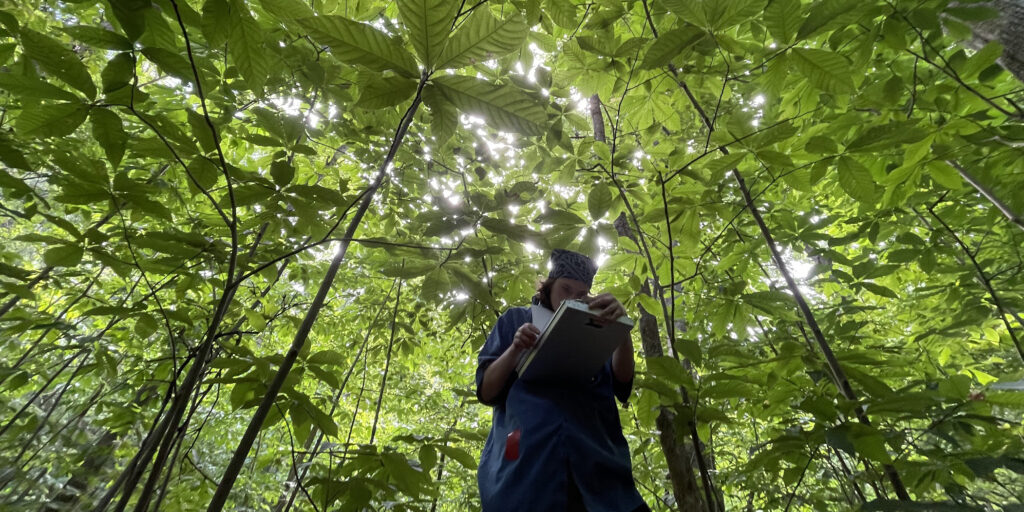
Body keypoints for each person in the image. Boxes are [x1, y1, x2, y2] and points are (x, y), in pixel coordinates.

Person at [475, 249, 650, 512]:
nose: (571, 298)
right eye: (565, 289)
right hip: (523, 462)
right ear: (548, 286)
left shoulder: (594, 323)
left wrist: (620, 331)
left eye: (580, 294)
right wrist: (515, 349)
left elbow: (621, 383)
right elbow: (487, 391)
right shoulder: (516, 320)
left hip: (596, 462)